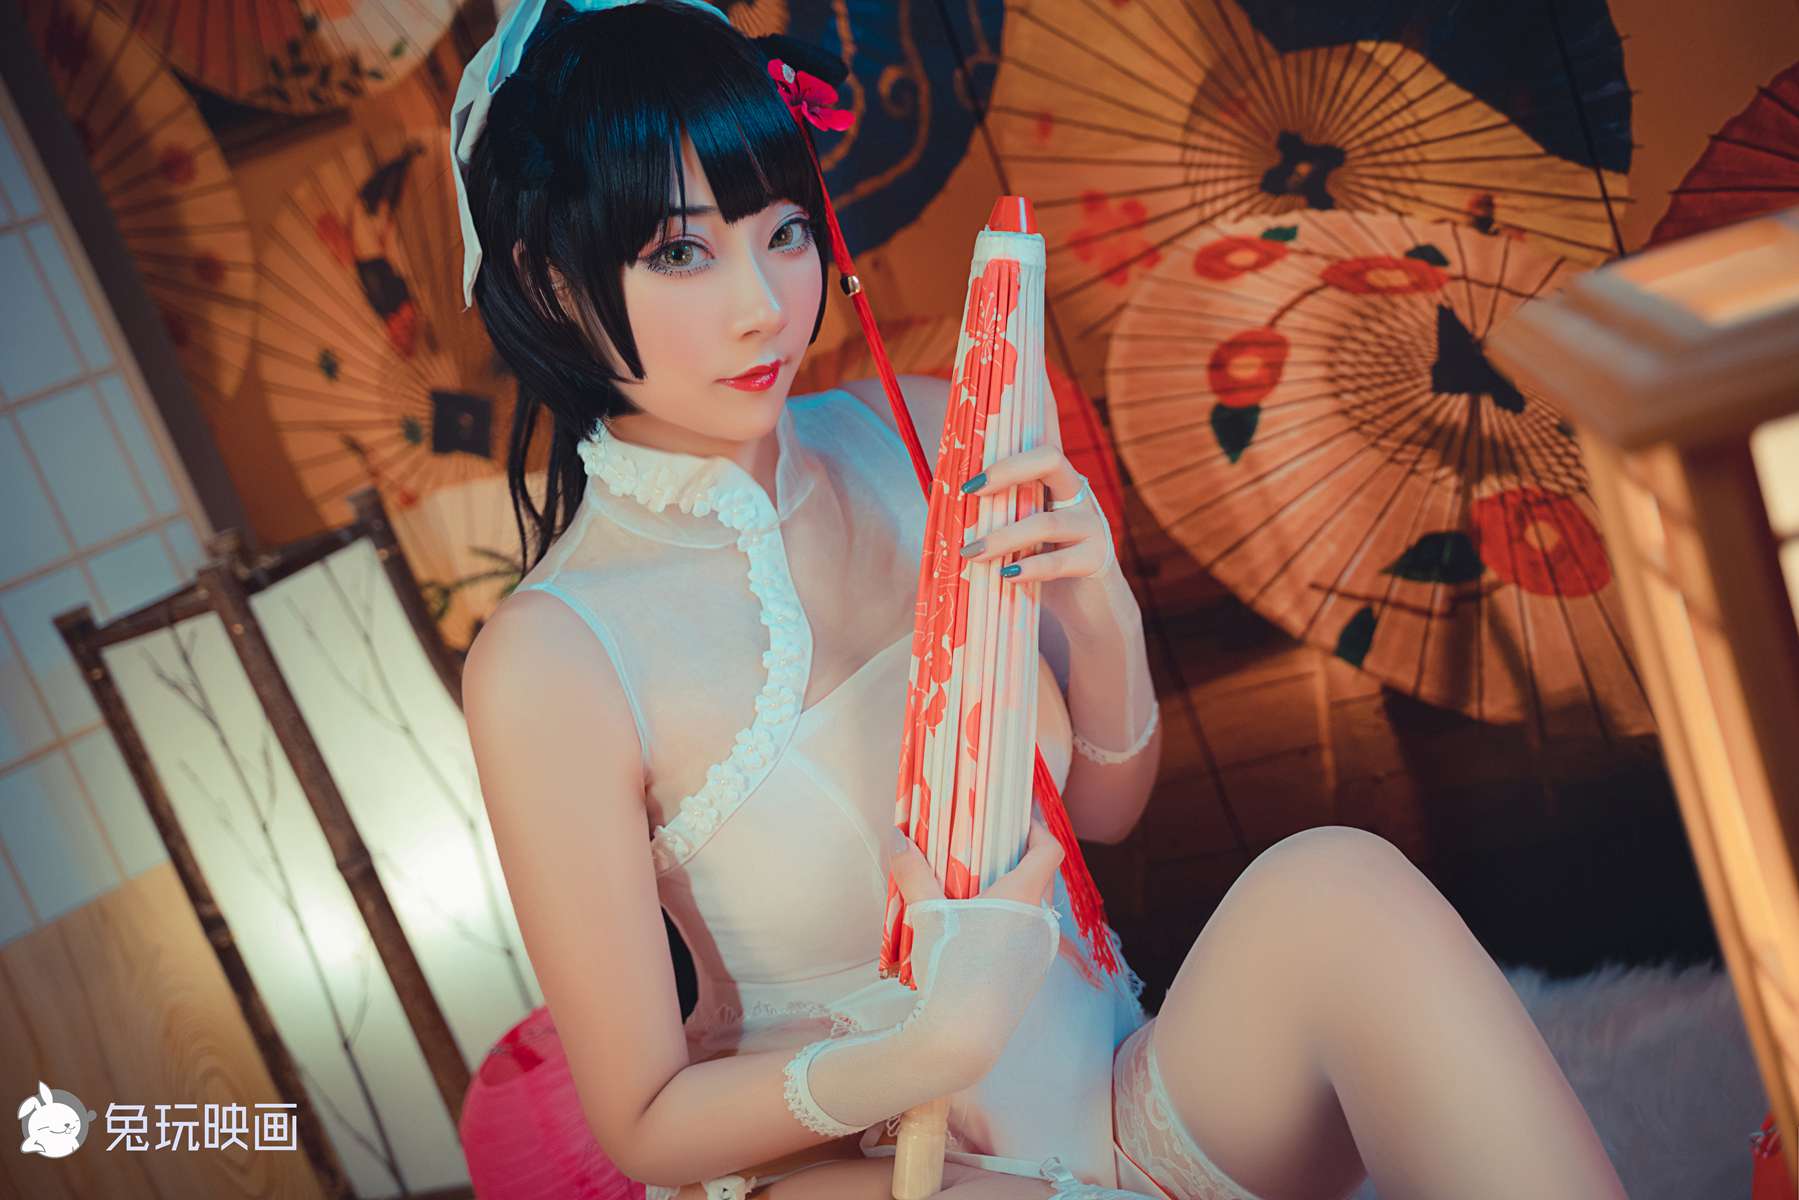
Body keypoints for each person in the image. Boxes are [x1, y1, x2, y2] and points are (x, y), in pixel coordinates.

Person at [452, 3, 1631, 1198]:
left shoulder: (927, 428)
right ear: (550, 282)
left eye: (785, 231)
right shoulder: (552, 656)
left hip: (1100, 1087)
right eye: (680, 253)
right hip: (867, 1173)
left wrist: (1100, 611)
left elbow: (1102, 810)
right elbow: (643, 1122)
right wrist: (925, 1051)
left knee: (1339, 887)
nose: (761, 302)